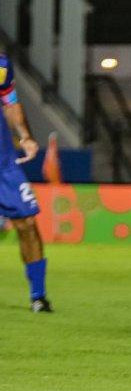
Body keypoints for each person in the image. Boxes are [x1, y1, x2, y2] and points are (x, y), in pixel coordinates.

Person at [0, 53, 51, 312]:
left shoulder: (1, 65)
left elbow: (10, 102)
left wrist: (25, 137)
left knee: (28, 223)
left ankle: (38, 296)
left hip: (4, 165)